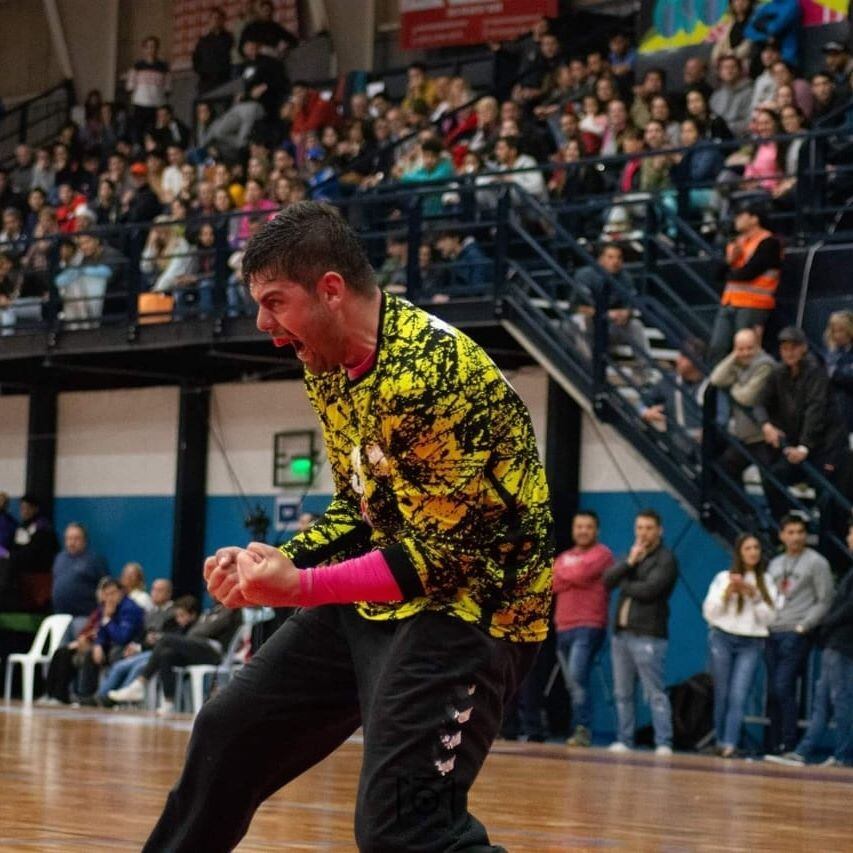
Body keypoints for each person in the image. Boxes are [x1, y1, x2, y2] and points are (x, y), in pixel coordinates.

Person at [141, 201, 553, 852]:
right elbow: (358, 507)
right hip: (387, 593)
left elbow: (442, 559)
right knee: (229, 732)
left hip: (473, 612)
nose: (263, 325)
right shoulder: (328, 364)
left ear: (329, 289)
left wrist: (298, 587)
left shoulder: (430, 373)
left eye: (274, 301)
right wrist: (270, 564)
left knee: (404, 831)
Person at [766, 521, 853, 767]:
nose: (848, 537)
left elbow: (840, 606)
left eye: (851, 532)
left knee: (842, 698)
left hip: (843, 643)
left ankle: (845, 755)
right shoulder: (776, 564)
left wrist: (820, 624)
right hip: (832, 641)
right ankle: (803, 750)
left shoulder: (817, 563)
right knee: (822, 699)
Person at [754, 327, 848, 521]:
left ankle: (829, 543)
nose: (789, 353)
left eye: (794, 347)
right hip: (796, 447)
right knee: (772, 478)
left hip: (825, 447)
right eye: (785, 348)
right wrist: (766, 425)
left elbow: (816, 411)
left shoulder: (816, 372)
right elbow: (759, 401)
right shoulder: (778, 373)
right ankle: (784, 529)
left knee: (827, 496)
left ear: (803, 348)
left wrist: (804, 447)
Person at [604, 508, 678, 754]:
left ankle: (663, 742)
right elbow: (606, 580)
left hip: (648, 634)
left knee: (654, 692)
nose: (643, 533)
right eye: (639, 528)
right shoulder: (633, 555)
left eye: (648, 528)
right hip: (621, 633)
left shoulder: (665, 558)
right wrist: (628, 563)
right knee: (622, 691)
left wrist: (624, 583)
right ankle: (625, 739)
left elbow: (651, 590)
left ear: (659, 530)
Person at [703, 533, 777, 757]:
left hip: (751, 642)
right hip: (723, 638)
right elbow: (709, 613)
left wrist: (754, 596)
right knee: (722, 693)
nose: (753, 552)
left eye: (756, 547)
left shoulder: (767, 581)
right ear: (739, 552)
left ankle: (730, 743)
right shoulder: (723, 577)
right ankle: (719, 738)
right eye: (748, 548)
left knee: (739, 694)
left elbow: (770, 619)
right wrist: (727, 595)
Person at [553, 510, 614, 748]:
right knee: (572, 683)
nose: (583, 531)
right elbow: (551, 582)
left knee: (578, 677)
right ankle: (578, 727)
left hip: (588, 625)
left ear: (596, 530)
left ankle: (583, 728)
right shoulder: (565, 556)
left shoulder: (603, 554)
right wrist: (569, 575)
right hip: (563, 625)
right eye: (579, 526)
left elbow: (580, 573)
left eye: (588, 526)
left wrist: (564, 573)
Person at [42, 576, 144, 704]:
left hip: (124, 648)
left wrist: (107, 619)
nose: (109, 598)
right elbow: (100, 631)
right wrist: (98, 645)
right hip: (107, 645)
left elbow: (122, 637)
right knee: (62, 652)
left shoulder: (130, 609)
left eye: (113, 593)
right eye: (106, 595)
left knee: (89, 655)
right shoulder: (105, 606)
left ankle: (85, 697)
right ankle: (53, 695)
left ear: (121, 592)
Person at [708, 202, 781, 365]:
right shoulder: (736, 243)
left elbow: (749, 272)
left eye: (741, 215)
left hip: (753, 304)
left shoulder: (769, 242)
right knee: (717, 347)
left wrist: (729, 271)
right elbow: (716, 274)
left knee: (746, 352)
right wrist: (729, 261)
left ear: (754, 219)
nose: (736, 220)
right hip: (729, 302)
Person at [710, 328, 777, 482]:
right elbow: (715, 379)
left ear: (758, 346)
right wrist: (734, 356)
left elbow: (747, 397)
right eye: (741, 348)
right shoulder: (738, 363)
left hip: (764, 436)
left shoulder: (766, 365)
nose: (745, 353)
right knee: (724, 469)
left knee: (771, 484)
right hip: (745, 437)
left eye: (749, 348)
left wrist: (733, 387)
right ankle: (741, 507)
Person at [572, 243, 652, 369]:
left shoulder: (625, 277)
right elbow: (577, 307)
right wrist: (604, 314)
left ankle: (647, 371)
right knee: (577, 321)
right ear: (600, 259)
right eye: (610, 257)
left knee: (635, 325)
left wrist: (626, 313)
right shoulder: (585, 275)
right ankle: (590, 369)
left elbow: (631, 305)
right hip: (591, 325)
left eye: (618, 258)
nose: (615, 261)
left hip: (612, 325)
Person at [51, 523, 107, 636]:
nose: (72, 542)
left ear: (84, 540)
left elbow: (105, 586)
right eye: (69, 538)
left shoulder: (94, 560)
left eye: (76, 538)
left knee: (80, 651)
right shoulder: (59, 558)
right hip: (60, 617)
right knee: (60, 651)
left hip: (84, 617)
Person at [433, 229, 492, 297]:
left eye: (443, 240)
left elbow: (477, 290)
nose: (439, 246)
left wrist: (450, 298)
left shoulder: (474, 256)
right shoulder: (453, 259)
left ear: (455, 239)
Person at [823, 310, 853, 436]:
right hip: (836, 414)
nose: (837, 335)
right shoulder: (832, 353)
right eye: (834, 331)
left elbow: (846, 377)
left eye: (841, 330)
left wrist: (836, 372)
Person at [192, 6, 234, 95]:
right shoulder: (203, 41)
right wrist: (203, 73)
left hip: (224, 81)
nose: (215, 21)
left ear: (223, 21)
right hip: (206, 83)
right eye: (213, 18)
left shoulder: (229, 39)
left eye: (218, 18)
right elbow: (196, 60)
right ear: (209, 21)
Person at [710, 55, 754, 138]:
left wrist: (727, 129)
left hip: (741, 138)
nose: (729, 71)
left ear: (740, 70)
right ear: (719, 72)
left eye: (733, 67)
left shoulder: (750, 92)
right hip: (718, 139)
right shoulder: (715, 96)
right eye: (725, 68)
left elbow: (750, 120)